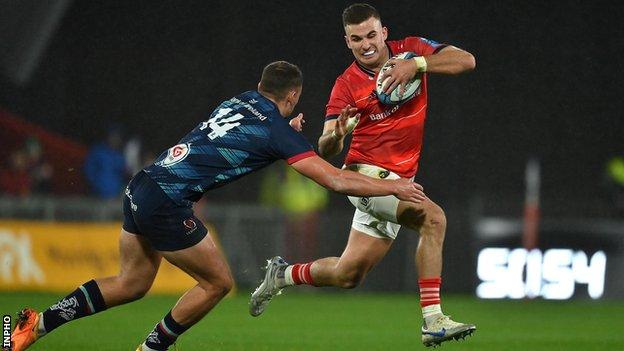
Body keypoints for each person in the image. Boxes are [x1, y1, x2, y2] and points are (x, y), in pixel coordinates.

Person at [10, 60, 426, 351]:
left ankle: (34, 325)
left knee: (131, 282)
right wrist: (394, 190)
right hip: (169, 201)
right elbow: (334, 179)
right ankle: (154, 347)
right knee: (218, 284)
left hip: (144, 184)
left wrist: (285, 128)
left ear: (263, 86)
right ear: (295, 94)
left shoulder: (238, 100)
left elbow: (248, 134)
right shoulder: (275, 131)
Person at [249, 4, 476, 348]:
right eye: (357, 39)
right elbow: (325, 148)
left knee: (347, 274)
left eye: (371, 34)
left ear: (384, 32)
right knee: (434, 219)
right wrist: (339, 133)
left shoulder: (411, 50)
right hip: (366, 177)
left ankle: (282, 274)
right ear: (347, 41)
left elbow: (466, 61)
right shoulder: (346, 85)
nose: (366, 44)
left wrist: (417, 64)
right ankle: (433, 319)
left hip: (398, 178)